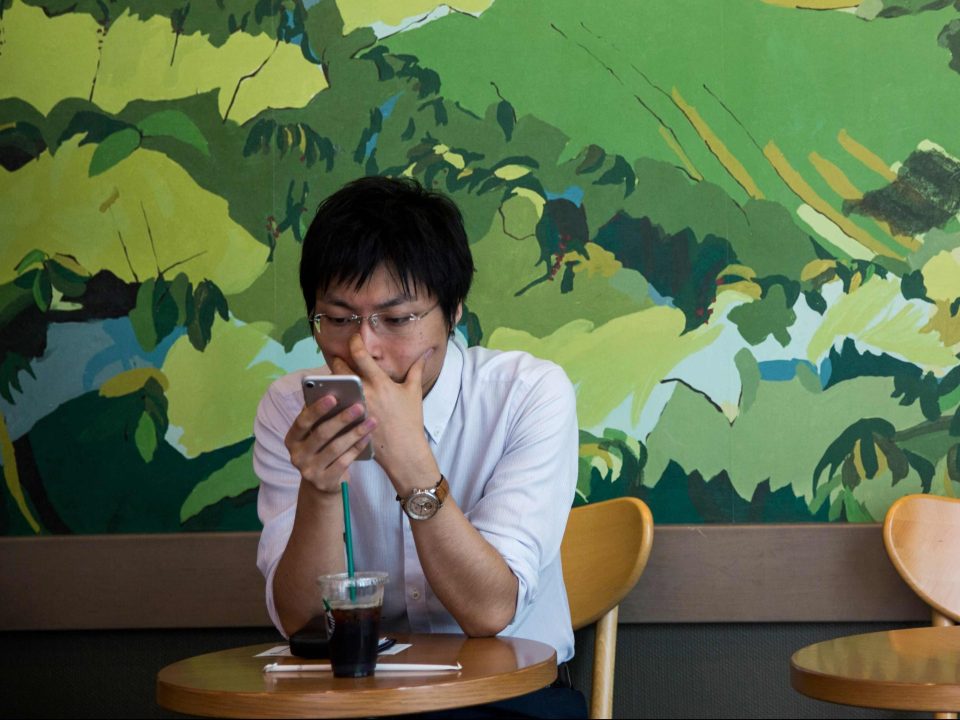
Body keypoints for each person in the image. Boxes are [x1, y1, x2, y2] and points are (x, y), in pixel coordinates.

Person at [253, 175, 586, 718]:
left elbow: (490, 611)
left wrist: (409, 462)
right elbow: (302, 623)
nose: (364, 346)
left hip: (509, 700)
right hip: (351, 702)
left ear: (453, 312)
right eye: (337, 319)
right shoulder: (290, 410)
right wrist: (319, 489)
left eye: (397, 318)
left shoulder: (527, 395)